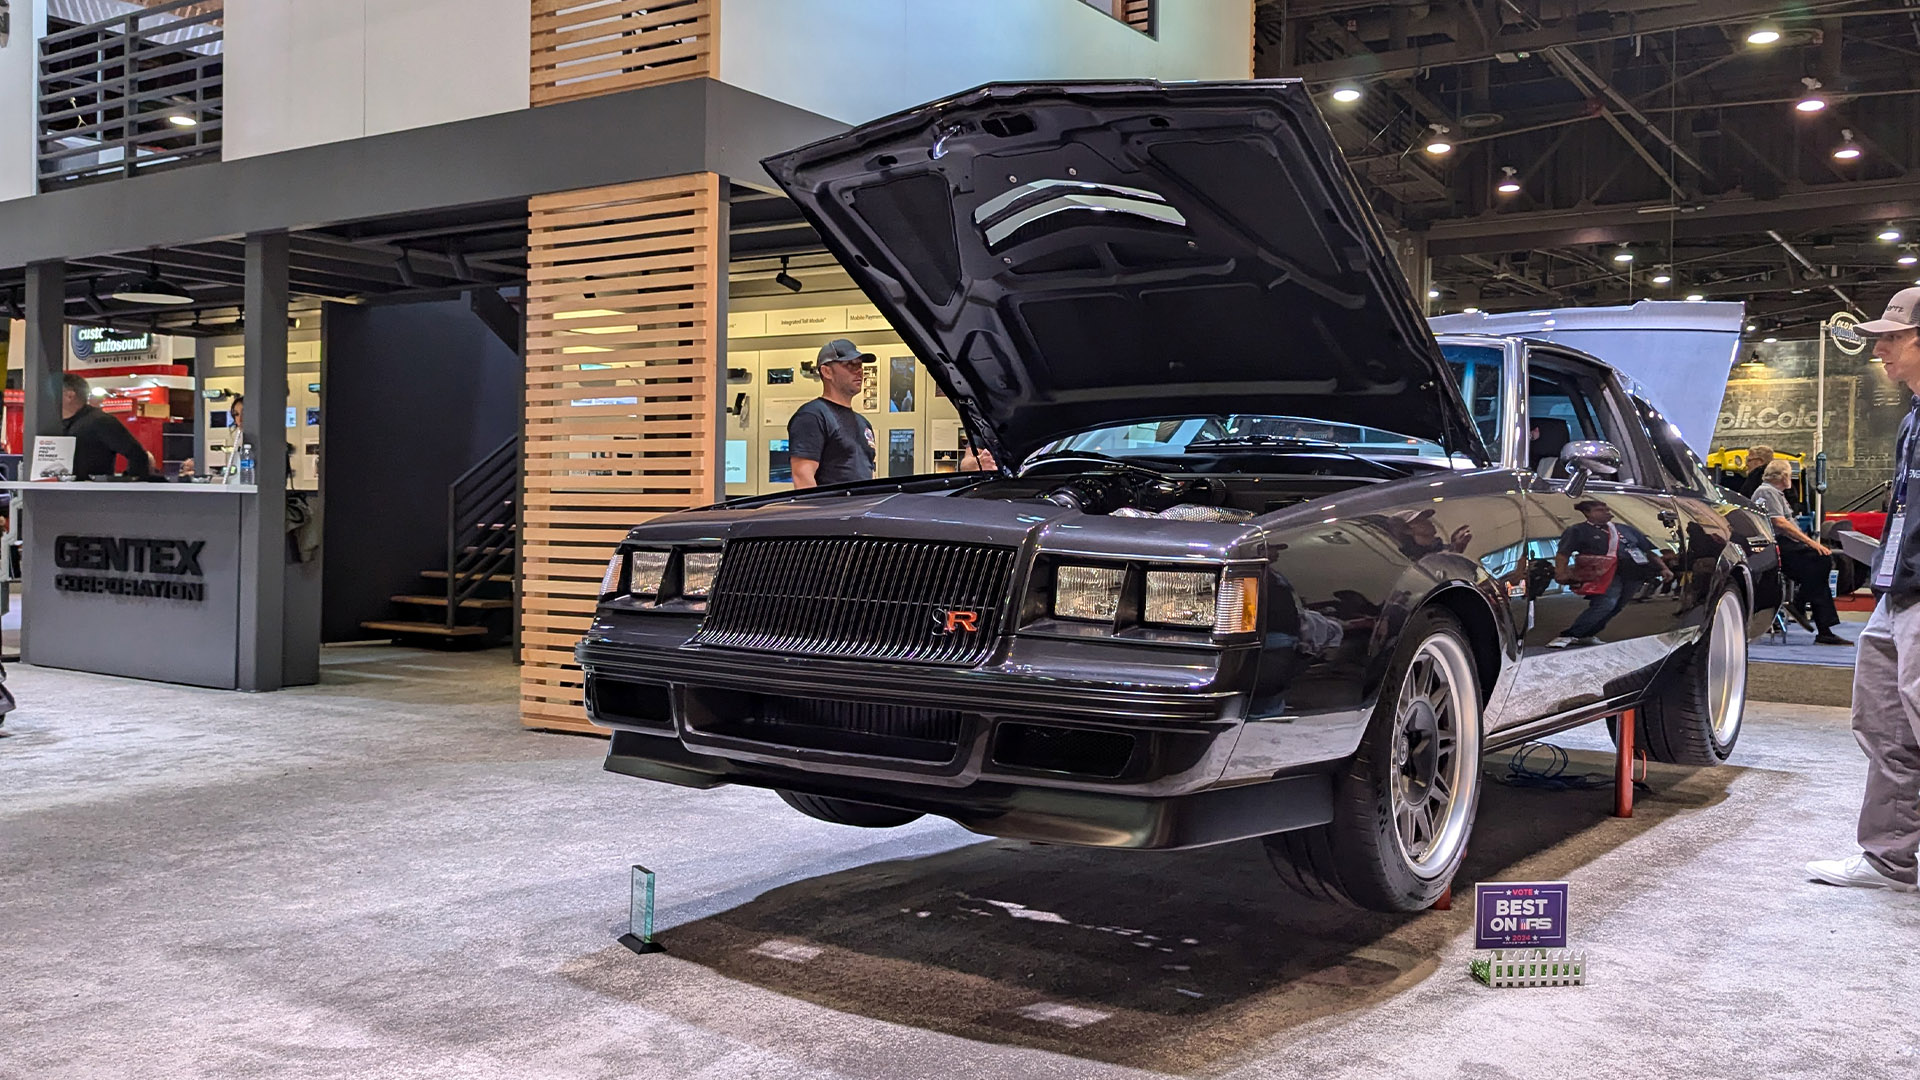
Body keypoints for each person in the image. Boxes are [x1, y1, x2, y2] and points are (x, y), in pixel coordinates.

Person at [1809, 286, 1920, 891]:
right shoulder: (1912, 418)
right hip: (1897, 591)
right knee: (1881, 723)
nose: (1880, 349)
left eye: (1892, 338)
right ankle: (1888, 860)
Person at [1546, 498, 1671, 648]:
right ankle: (1571, 634)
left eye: (1606, 509)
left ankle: (1587, 633)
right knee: (1606, 604)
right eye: (1600, 510)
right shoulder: (1577, 530)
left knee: (1618, 605)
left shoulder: (1625, 529)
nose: (1607, 512)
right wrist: (1560, 572)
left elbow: (1647, 551)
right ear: (1587, 513)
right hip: (1605, 573)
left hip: (1634, 571)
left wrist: (1663, 567)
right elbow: (1563, 553)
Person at [1753, 458, 1848, 645]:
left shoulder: (1776, 493)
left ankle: (1810, 613)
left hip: (1785, 545)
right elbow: (1780, 523)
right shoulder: (1766, 492)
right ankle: (1811, 615)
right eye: (1789, 474)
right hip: (1778, 546)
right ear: (1783, 476)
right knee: (1819, 562)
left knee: (1819, 568)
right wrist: (1811, 543)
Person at [788, 339, 875, 489]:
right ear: (826, 371)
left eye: (860, 364)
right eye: (849, 365)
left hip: (860, 509)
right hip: (833, 510)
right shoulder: (813, 416)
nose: (859, 370)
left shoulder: (863, 423)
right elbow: (803, 477)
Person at [59, 373, 152, 479]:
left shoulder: (100, 421)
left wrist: (127, 485)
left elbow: (137, 455)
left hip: (91, 493)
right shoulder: (52, 423)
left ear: (69, 396)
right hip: (58, 491)